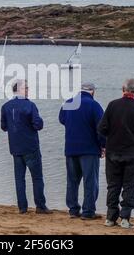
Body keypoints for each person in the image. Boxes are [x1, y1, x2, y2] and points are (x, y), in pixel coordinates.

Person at [98, 78, 134, 229]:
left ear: (123, 89)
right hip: (132, 154)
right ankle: (125, 219)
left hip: (113, 152)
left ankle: (110, 218)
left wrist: (112, 136)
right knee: (130, 186)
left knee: (113, 185)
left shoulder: (112, 105)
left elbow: (101, 128)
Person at [1, 80, 52, 215]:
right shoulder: (30, 105)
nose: (28, 90)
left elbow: (4, 127)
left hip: (15, 148)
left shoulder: (6, 106)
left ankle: (22, 207)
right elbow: (38, 125)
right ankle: (40, 206)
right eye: (26, 88)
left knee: (19, 178)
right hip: (30, 147)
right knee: (37, 178)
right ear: (20, 90)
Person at [59, 82, 106, 220]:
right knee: (90, 181)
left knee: (72, 180)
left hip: (71, 148)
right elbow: (102, 128)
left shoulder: (68, 103)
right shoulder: (94, 105)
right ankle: (88, 211)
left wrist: (74, 125)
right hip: (89, 149)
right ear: (92, 92)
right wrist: (103, 145)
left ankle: (73, 209)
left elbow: (62, 119)